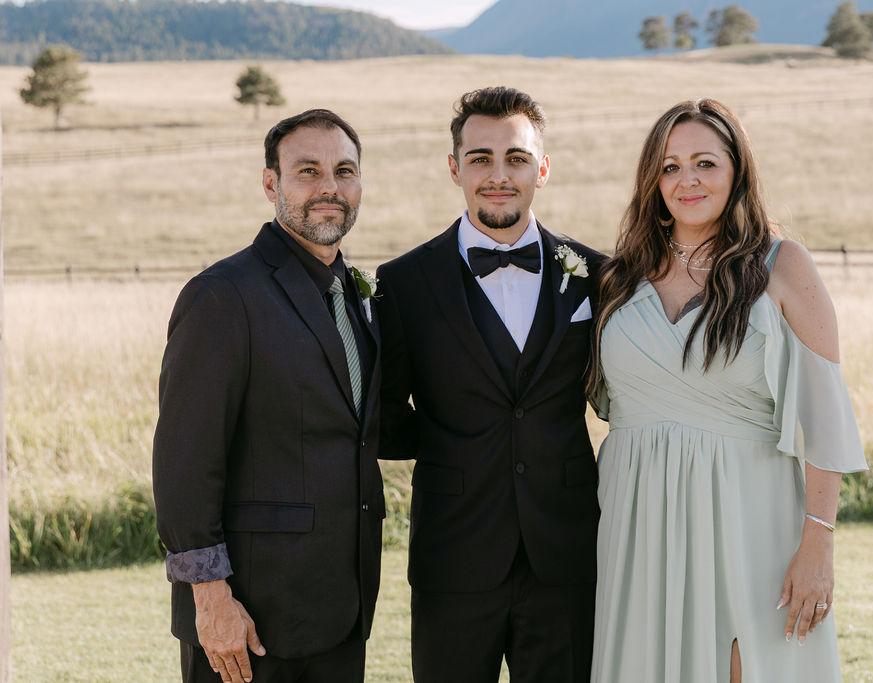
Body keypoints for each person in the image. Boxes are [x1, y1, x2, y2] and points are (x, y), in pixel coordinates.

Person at [587, 98, 867, 682]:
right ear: (652, 180)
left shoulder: (782, 266)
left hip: (750, 513)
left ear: (737, 170)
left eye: (705, 163)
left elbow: (826, 416)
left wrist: (819, 544)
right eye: (669, 166)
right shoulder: (619, 277)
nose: (687, 180)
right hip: (637, 515)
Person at [376, 86, 605, 683]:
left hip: (568, 551)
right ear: (455, 168)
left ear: (542, 169)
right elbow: (382, 413)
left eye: (516, 158)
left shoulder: (596, 275)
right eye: (480, 158)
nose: (498, 175)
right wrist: (455, 440)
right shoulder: (403, 282)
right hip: (453, 553)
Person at [152, 108, 385, 683]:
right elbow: (184, 461)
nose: (329, 187)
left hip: (340, 610)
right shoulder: (223, 296)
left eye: (344, 170)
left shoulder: (354, 296)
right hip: (249, 620)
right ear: (270, 183)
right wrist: (211, 598)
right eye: (307, 170)